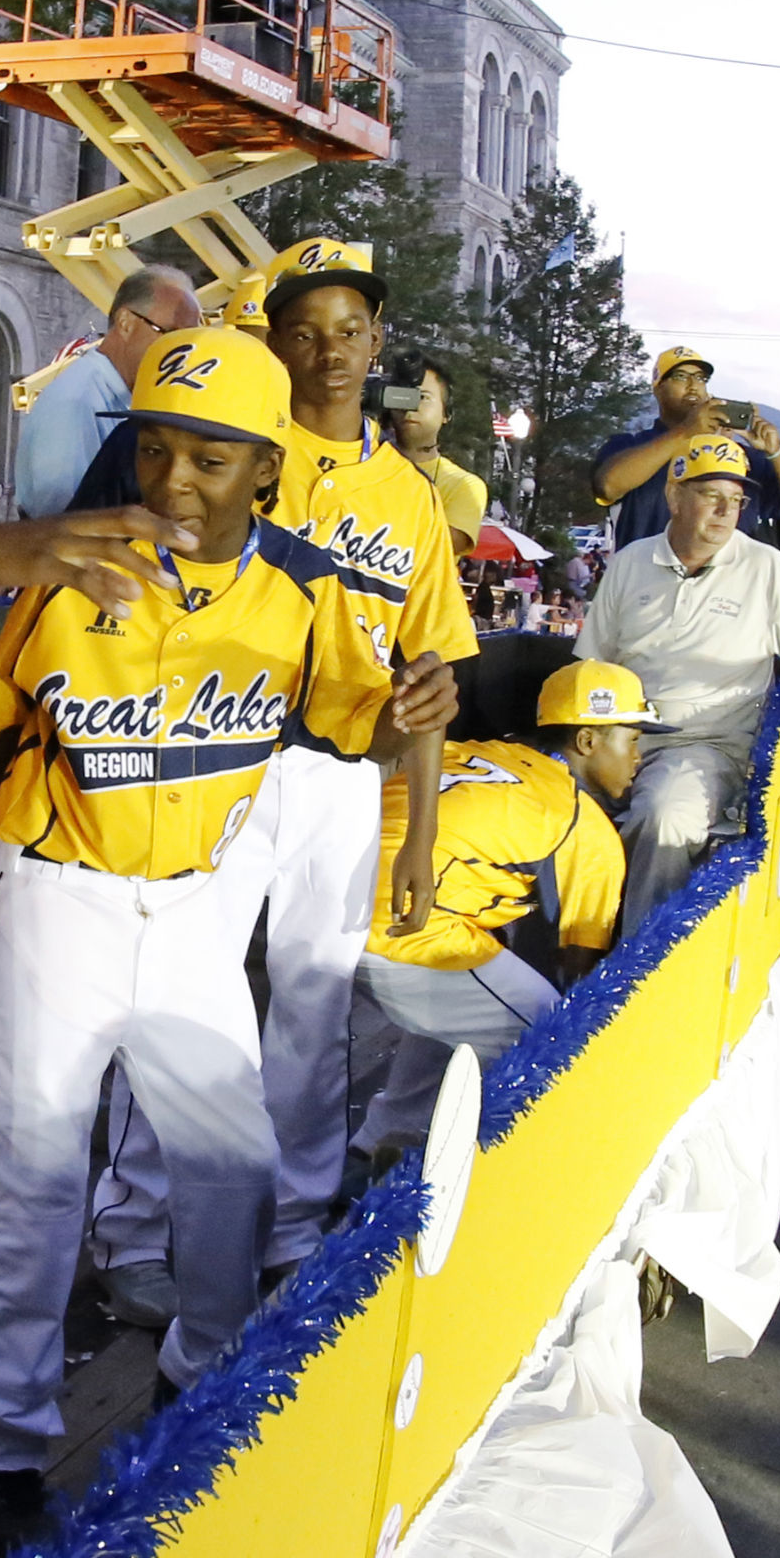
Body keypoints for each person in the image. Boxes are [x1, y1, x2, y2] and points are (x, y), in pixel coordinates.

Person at [0, 324, 409, 1548]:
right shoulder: (68, 567)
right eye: (155, 451)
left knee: (234, 1171)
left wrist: (422, 707)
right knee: (36, 1189)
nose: (176, 483)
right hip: (56, 900)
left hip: (197, 905)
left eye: (211, 457)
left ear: (266, 467)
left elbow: (355, 724)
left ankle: (193, 1380)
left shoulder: (306, 589)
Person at [234, 234, 462, 1264]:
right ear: (273, 340)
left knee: (314, 1003)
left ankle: (290, 1220)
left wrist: (417, 839)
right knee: (182, 995)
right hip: (219, 753)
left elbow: (431, 678)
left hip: (337, 773)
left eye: (350, 330)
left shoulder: (408, 494)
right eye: (305, 331)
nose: (330, 351)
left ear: (377, 344)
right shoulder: (236, 444)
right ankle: (140, 1226)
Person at [577, 438, 780, 930]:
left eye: (737, 500)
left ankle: (634, 971)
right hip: (615, 735)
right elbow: (588, 668)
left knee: (664, 816)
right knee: (543, 803)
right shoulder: (630, 563)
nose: (727, 511)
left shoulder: (771, 571)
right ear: (674, 496)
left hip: (704, 745)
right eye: (711, 496)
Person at [355, 661, 651, 1142]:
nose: (640, 756)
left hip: (323, 901)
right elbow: (579, 970)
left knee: (465, 999)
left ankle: (387, 1138)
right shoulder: (587, 826)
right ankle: (511, 1180)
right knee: (558, 1040)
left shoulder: (481, 752)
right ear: (588, 742)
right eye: (633, 738)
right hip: (405, 924)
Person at [12, 264, 202, 518]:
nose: (183, 355)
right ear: (125, 322)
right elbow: (60, 524)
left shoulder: (123, 394)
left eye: (190, 342)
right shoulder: (75, 403)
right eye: (172, 336)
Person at [589, 348, 780, 550]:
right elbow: (608, 486)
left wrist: (775, 452)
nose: (693, 386)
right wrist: (687, 432)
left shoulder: (741, 456)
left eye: (700, 379)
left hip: (728, 592)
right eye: (681, 377)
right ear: (658, 389)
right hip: (650, 586)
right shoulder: (630, 446)